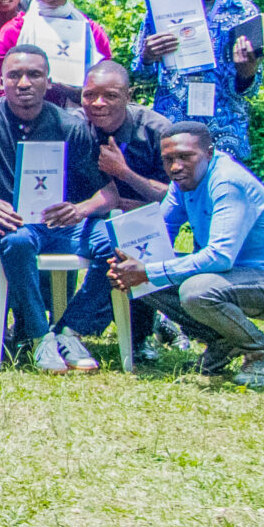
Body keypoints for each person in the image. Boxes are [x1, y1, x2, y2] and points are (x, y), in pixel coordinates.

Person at [107, 123, 264, 389]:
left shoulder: (227, 182)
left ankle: (263, 351)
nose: (176, 167)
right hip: (233, 278)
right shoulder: (182, 183)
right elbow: (160, 230)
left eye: (185, 157)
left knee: (196, 290)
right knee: (140, 278)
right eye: (168, 160)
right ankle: (224, 341)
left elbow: (220, 257)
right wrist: (127, 264)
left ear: (209, 153)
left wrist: (148, 270)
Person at [0, 45, 109, 374]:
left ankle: (68, 329)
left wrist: (78, 209)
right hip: (13, 223)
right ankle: (40, 337)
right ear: (2, 81)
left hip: (61, 224)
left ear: (48, 81)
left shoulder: (70, 126)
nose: (24, 83)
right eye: (15, 75)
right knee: (17, 241)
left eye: (34, 74)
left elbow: (99, 190)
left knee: (116, 242)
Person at [54, 60, 174, 364]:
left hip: (147, 219)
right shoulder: (72, 126)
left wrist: (124, 173)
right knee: (113, 235)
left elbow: (175, 198)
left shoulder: (157, 131)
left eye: (110, 95)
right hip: (88, 217)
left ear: (129, 95)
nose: (98, 103)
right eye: (89, 95)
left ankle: (137, 336)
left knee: (135, 234)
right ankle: (61, 328)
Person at [133, 0, 264, 160]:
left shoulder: (245, 13)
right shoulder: (163, 8)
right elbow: (139, 75)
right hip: (172, 122)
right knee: (173, 188)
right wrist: (148, 57)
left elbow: (253, 89)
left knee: (222, 191)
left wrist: (247, 72)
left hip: (225, 129)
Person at [0, 0, 114, 105]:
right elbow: (1, 87)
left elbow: (107, 82)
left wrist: (76, 91)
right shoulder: (14, 31)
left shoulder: (91, 31)